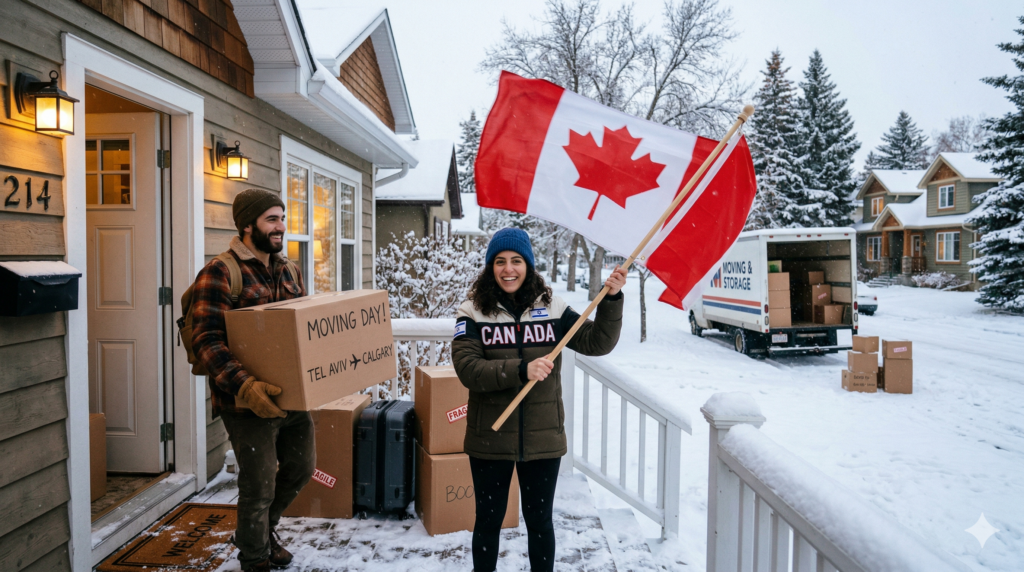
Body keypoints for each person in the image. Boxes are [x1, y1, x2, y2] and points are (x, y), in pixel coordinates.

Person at [452, 227, 625, 572]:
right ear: (490, 268)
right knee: (488, 521)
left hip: (543, 439)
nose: (508, 269)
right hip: (490, 437)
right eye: (499, 262)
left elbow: (597, 343)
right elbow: (468, 369)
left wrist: (611, 299)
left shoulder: (553, 307)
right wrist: (520, 370)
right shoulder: (472, 311)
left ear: (529, 266)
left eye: (517, 261)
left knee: (540, 522)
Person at [191, 189, 314, 572]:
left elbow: (303, 328)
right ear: (247, 225)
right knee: (259, 484)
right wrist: (246, 385)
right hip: (243, 400)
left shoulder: (289, 270)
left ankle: (259, 533)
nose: (281, 227)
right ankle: (255, 558)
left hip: (290, 396)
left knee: (301, 467)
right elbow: (206, 339)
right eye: (271, 219)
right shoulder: (221, 271)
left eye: (281, 218)